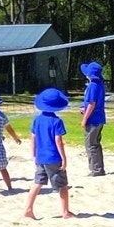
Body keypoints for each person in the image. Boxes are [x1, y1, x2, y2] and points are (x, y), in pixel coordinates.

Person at [24, 87, 75, 219]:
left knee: (38, 183)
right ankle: (65, 212)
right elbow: (58, 141)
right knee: (63, 186)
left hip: (40, 158)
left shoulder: (37, 120)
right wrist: (64, 158)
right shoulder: (57, 121)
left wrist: (33, 154)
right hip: (53, 158)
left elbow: (33, 137)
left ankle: (28, 209)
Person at [80, 61, 106, 177]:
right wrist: (84, 109)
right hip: (99, 118)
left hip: (93, 120)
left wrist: (84, 119)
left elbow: (92, 104)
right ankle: (99, 168)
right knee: (95, 143)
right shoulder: (99, 84)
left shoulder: (92, 86)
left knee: (91, 144)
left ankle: (96, 170)